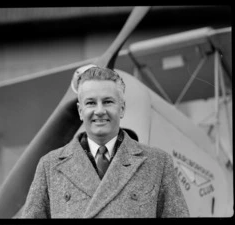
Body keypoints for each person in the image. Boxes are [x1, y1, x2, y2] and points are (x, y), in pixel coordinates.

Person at [21, 66, 189, 218]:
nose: (99, 111)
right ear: (80, 111)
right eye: (91, 103)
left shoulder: (158, 163)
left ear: (121, 108)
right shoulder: (49, 166)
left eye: (108, 102)